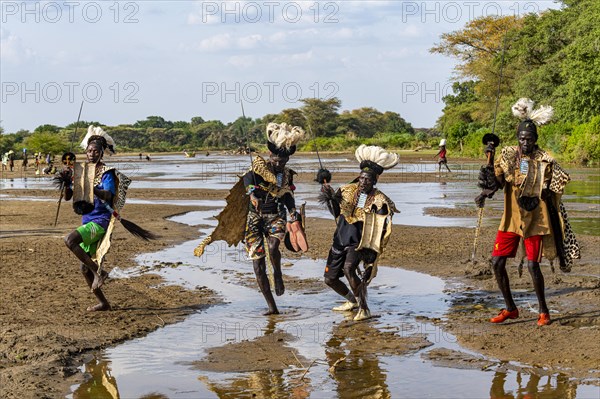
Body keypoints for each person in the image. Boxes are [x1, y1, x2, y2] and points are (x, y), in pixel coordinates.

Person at [476, 98, 580, 326]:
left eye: (530, 139)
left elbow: (556, 187)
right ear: (518, 138)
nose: (526, 142)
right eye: (522, 138)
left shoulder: (546, 160)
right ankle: (511, 309)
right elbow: (499, 182)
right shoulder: (508, 155)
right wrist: (488, 179)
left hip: (536, 220)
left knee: (533, 265)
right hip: (512, 219)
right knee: (497, 263)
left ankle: (544, 311)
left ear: (536, 139)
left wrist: (540, 187)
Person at [193, 123, 306, 316]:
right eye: (277, 160)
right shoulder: (258, 167)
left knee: (273, 247)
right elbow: (247, 180)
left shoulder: (286, 175)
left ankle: (278, 274)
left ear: (287, 160)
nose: (279, 164)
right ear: (271, 157)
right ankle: (272, 307)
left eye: (283, 161)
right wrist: (252, 195)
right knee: (258, 264)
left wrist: (293, 211)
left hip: (275, 216)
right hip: (254, 219)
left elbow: (287, 195)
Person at [319, 145, 399, 321]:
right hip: (340, 239)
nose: (363, 182)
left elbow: (381, 227)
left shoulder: (380, 200)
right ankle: (352, 301)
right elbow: (336, 213)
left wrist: (372, 253)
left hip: (359, 243)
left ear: (375, 181)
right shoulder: (347, 190)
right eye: (362, 178)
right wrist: (329, 197)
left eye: (368, 180)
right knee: (329, 279)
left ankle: (364, 308)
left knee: (349, 269)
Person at [63, 126, 119, 311]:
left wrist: (90, 187)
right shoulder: (82, 171)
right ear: (85, 152)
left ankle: (99, 273)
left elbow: (109, 196)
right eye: (89, 151)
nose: (92, 154)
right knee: (83, 269)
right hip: (87, 220)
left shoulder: (107, 173)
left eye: (95, 151)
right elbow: (68, 198)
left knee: (69, 240)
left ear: (102, 153)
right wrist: (67, 183)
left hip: (100, 222)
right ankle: (104, 303)